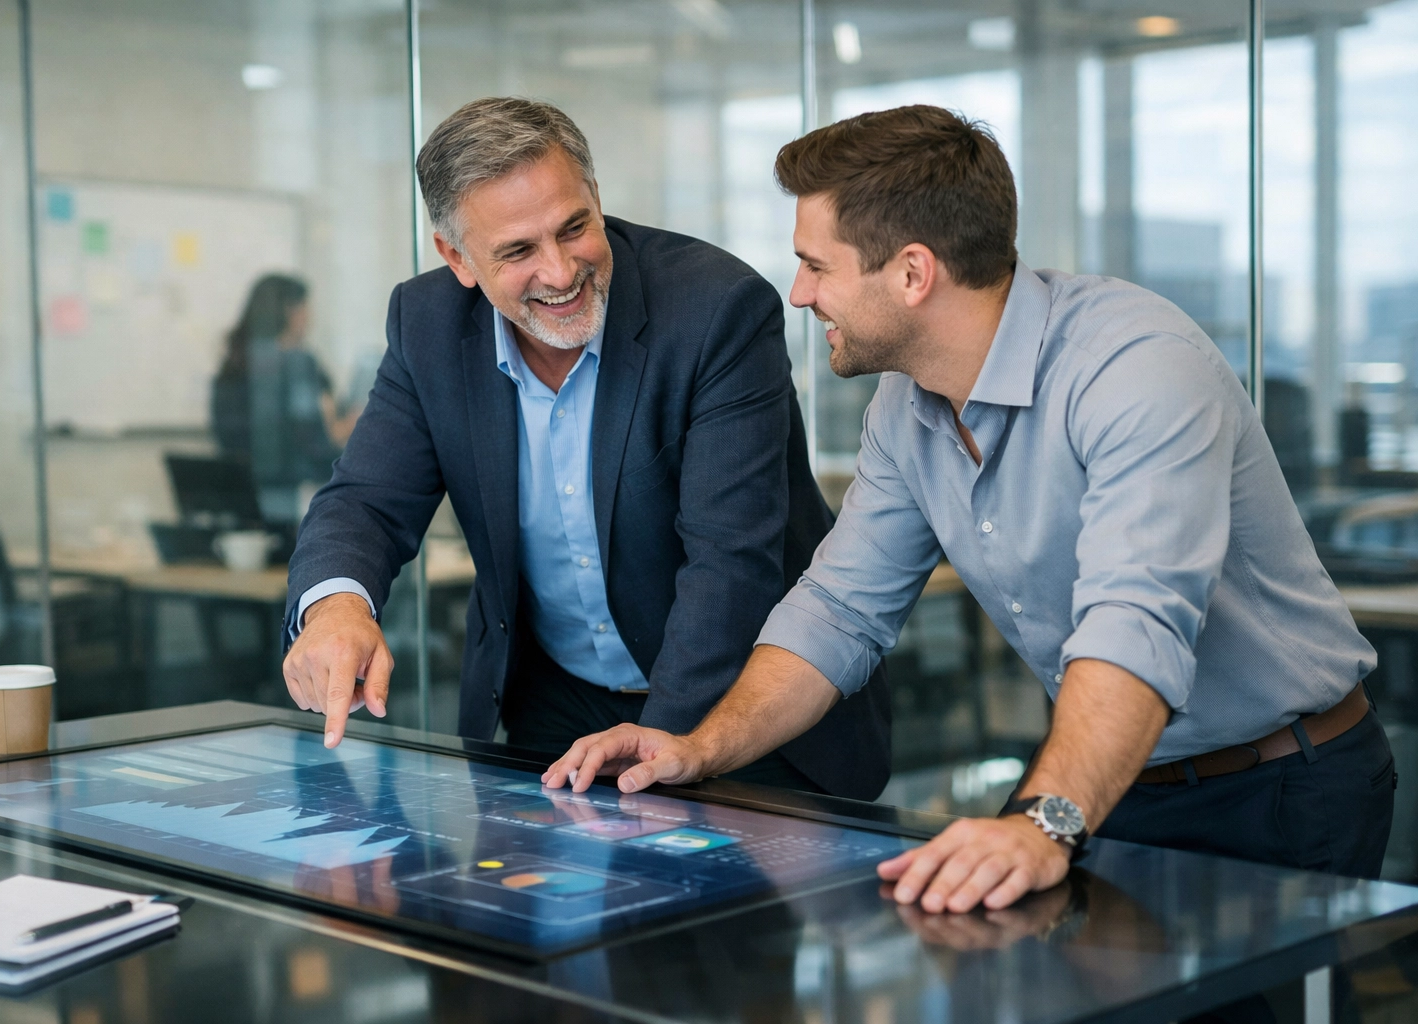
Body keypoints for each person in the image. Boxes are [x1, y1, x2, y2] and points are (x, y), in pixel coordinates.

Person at [545, 105, 1394, 915]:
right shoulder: (905, 406)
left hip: (1280, 786)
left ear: (913, 273)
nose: (800, 294)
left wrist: (1041, 825)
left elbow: (1135, 622)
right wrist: (699, 746)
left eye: (817, 265)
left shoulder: (1134, 366)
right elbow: (838, 611)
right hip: (1109, 785)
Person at [278, 98, 891, 799]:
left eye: (574, 228)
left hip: (735, 706)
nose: (561, 270)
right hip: (553, 707)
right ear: (456, 257)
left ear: (596, 197)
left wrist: (660, 755)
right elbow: (366, 500)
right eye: (518, 251)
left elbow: (728, 565)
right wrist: (337, 607)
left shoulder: (716, 308)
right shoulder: (427, 324)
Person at [211, 274, 358, 523]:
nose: (311, 317)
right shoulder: (297, 365)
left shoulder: (234, 367)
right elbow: (313, 444)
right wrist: (347, 429)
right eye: (306, 307)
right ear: (291, 311)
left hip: (241, 500)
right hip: (296, 499)